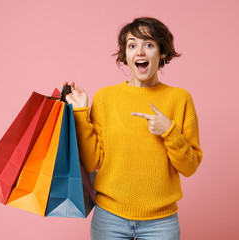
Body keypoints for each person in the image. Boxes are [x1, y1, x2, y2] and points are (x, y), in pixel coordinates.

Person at [63, 17, 202, 240]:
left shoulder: (180, 99)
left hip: (161, 222)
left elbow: (190, 166)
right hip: (110, 217)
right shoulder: (105, 97)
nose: (140, 51)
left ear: (162, 53)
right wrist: (81, 113)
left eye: (149, 44)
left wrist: (169, 131)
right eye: (132, 45)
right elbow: (92, 162)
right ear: (125, 56)